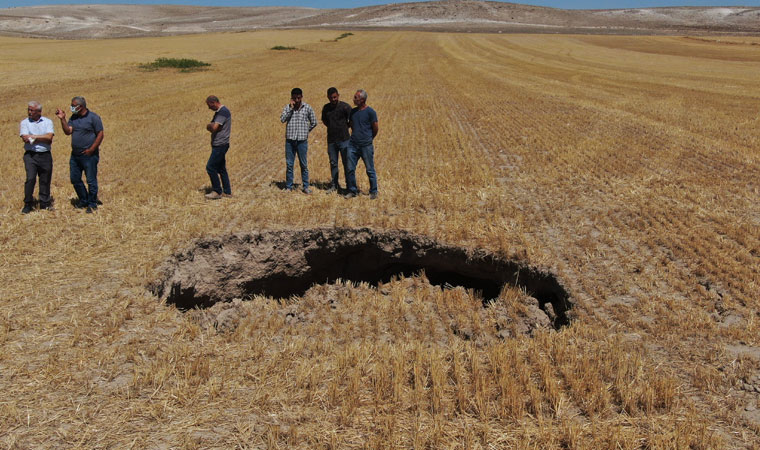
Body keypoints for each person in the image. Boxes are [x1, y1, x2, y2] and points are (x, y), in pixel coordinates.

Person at [55, 96, 104, 213]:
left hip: (89, 155)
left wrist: (92, 149)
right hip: (75, 155)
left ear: (81, 106)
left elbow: (100, 134)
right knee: (75, 179)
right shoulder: (74, 117)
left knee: (91, 180)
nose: (71, 107)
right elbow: (68, 131)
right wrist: (62, 119)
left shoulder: (93, 118)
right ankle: (84, 199)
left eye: (73, 105)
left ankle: (92, 203)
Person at [19, 101, 54, 214]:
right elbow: (25, 138)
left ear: (39, 111)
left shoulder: (48, 122)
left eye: (32, 110)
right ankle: (28, 203)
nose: (29, 112)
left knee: (45, 179)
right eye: (28, 110)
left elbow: (49, 138)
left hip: (45, 155)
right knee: (30, 178)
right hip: (30, 155)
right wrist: (42, 138)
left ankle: (44, 203)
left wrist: (33, 136)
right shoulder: (24, 123)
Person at [280, 87, 317, 194]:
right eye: (294, 98)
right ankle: (289, 186)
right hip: (290, 141)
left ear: (301, 97)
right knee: (289, 165)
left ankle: (306, 186)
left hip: (302, 141)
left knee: (303, 165)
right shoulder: (288, 108)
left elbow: (314, 122)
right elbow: (282, 119)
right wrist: (290, 109)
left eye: (298, 98)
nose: (296, 100)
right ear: (291, 98)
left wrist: (306, 131)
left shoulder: (307, 108)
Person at [345, 89, 379, 199]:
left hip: (366, 146)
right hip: (353, 145)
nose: (354, 99)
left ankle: (373, 191)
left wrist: (368, 138)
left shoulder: (371, 112)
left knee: (370, 169)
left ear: (362, 100)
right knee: (350, 169)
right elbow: (352, 125)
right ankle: (352, 190)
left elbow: (375, 128)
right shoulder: (353, 112)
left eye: (356, 97)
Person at [321, 87, 351, 192]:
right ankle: (334, 185)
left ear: (338, 95)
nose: (333, 99)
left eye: (335, 97)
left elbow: (351, 120)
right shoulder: (326, 108)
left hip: (344, 140)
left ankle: (349, 186)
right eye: (331, 98)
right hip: (331, 140)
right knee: (333, 163)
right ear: (328, 97)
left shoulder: (345, 107)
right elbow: (324, 120)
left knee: (347, 163)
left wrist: (344, 127)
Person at [204, 95, 232, 200]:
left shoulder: (222, 112)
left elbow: (213, 127)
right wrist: (211, 125)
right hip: (221, 144)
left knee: (210, 167)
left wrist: (210, 126)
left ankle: (217, 191)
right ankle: (227, 192)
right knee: (221, 168)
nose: (209, 108)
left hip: (220, 144)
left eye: (209, 105)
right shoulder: (221, 112)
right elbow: (214, 126)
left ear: (213, 103)